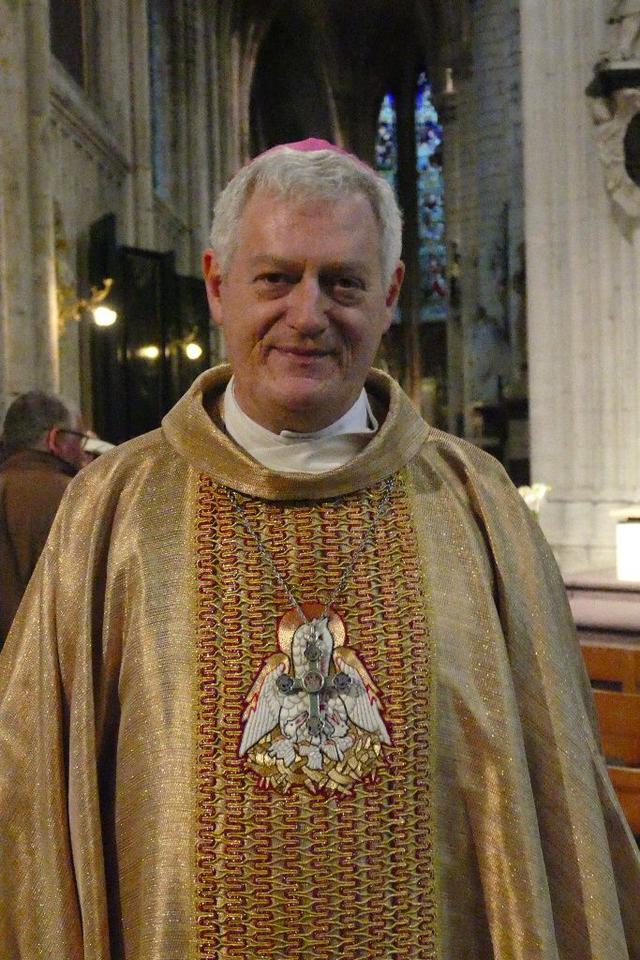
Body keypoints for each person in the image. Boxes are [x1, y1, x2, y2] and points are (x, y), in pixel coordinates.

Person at [0, 140, 639, 960]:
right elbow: (31, 797)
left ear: (390, 297)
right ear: (218, 285)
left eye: (344, 282)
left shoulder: (479, 510)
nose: (309, 314)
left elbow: (561, 808)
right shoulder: (112, 510)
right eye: (276, 278)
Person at [0, 390, 89, 649]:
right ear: (56, 439)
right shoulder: (77, 497)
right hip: (46, 667)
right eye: (79, 438)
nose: (83, 450)